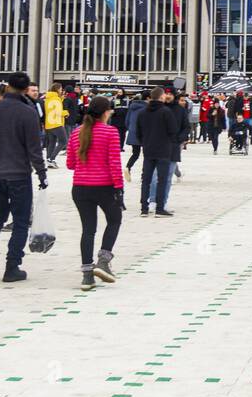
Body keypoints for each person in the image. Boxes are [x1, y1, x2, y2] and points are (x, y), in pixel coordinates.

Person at [0, 73, 48, 283]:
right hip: (19, 174)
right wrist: (42, 173)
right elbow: (34, 149)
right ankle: (12, 266)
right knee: (21, 221)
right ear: (25, 89)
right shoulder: (27, 112)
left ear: (8, 86)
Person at [66, 95, 124, 291]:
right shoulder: (111, 132)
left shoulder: (76, 133)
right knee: (115, 219)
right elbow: (114, 163)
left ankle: (87, 276)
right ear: (105, 112)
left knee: (88, 230)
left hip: (80, 188)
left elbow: (70, 164)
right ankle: (104, 260)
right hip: (104, 186)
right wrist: (119, 188)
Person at [136, 87, 179, 217]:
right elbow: (173, 131)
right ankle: (159, 208)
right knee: (162, 179)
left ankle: (144, 208)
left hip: (148, 150)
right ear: (161, 97)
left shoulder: (142, 112)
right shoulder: (166, 112)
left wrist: (145, 142)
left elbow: (138, 132)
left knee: (146, 180)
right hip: (163, 150)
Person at [123, 90, 147, 180]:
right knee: (146, 155)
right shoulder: (147, 108)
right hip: (145, 134)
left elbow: (127, 121)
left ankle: (128, 167)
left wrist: (131, 129)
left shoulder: (132, 106)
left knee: (135, 154)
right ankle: (144, 175)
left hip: (133, 133)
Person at [42, 86, 67, 167]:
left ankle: (49, 159)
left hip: (49, 123)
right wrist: (66, 113)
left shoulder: (48, 98)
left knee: (52, 142)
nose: (61, 90)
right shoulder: (56, 99)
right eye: (60, 89)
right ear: (56, 89)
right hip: (56, 123)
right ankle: (52, 159)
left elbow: (52, 109)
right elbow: (58, 111)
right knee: (63, 141)